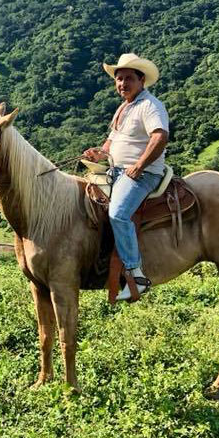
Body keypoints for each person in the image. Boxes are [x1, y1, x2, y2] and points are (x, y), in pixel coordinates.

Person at [84, 53, 169, 301]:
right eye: (119, 79)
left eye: (128, 78)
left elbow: (159, 137)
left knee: (118, 214)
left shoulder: (150, 105)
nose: (122, 84)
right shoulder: (124, 107)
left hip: (142, 174)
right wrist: (98, 153)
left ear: (141, 80)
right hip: (116, 170)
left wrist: (140, 165)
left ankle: (136, 274)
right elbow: (112, 142)